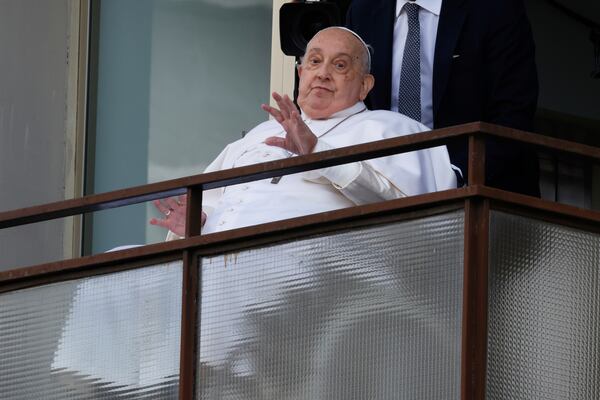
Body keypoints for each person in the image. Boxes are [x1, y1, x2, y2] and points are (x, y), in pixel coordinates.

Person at [151, 26, 456, 237]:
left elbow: (412, 215)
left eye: (339, 65)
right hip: (223, 269)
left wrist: (319, 155)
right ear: (300, 74)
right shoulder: (258, 134)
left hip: (316, 275)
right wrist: (198, 223)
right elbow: (211, 205)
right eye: (314, 61)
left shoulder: (392, 128)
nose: (323, 73)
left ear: (365, 85)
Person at [346, 0, 541, 196]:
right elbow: (351, 107)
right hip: (382, 192)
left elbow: (513, 112)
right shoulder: (363, 10)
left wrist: (451, 178)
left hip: (478, 192)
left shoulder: (496, 8)